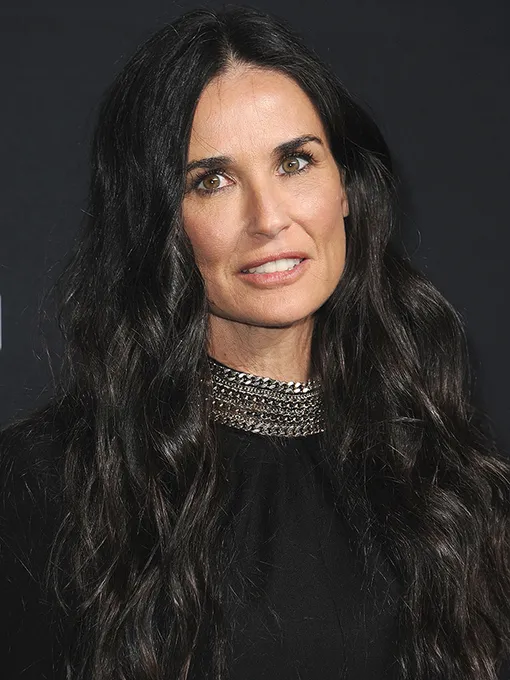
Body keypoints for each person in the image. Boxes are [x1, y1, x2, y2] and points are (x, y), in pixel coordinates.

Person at [1, 5, 510, 680]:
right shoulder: (45, 483)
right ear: (156, 221)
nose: (268, 219)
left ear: (345, 187)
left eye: (296, 162)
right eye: (211, 181)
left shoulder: (444, 467)